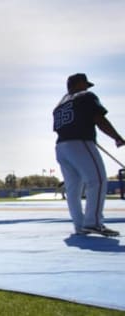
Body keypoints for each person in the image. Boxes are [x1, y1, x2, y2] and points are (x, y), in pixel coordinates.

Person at [53, 73, 124, 236]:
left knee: (73, 188)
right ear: (79, 83)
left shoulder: (59, 105)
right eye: (85, 84)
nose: (87, 87)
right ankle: (94, 223)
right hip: (80, 143)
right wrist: (116, 137)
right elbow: (99, 118)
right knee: (97, 180)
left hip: (61, 146)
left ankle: (80, 225)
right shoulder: (86, 96)